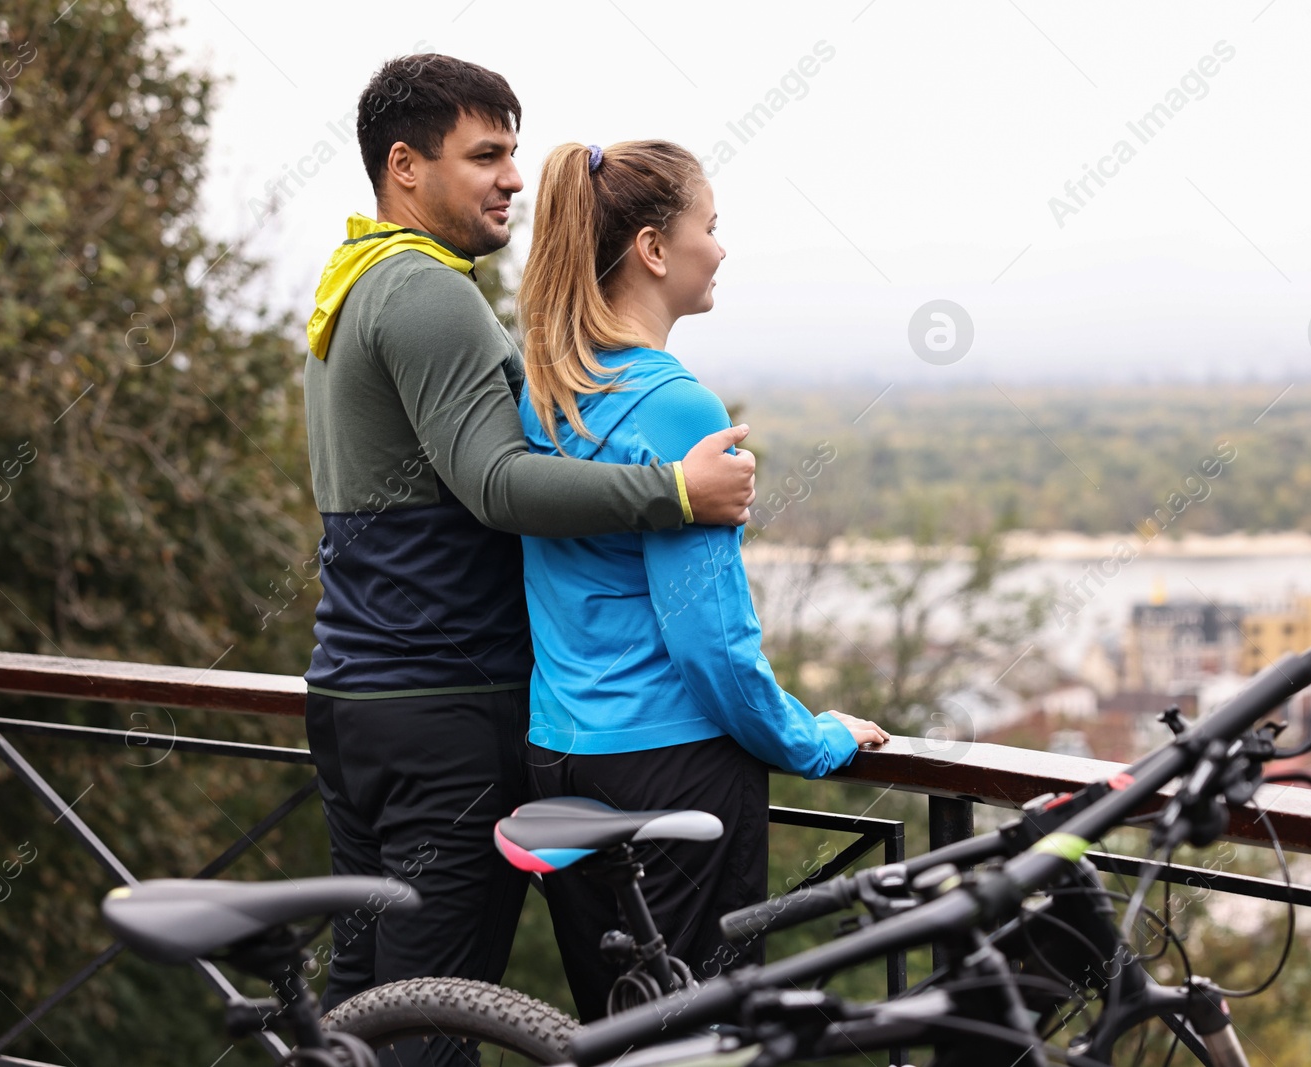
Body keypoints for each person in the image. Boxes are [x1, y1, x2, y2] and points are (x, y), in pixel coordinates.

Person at [300, 56, 755, 1061]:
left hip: (359, 699)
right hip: (444, 704)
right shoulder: (425, 292)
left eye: (513, 152)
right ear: (405, 167)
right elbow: (499, 483)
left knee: (361, 1005)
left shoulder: (350, 286)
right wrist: (677, 491)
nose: (512, 178)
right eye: (486, 156)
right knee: (431, 1010)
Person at [515, 139, 889, 1021]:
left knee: (612, 1030)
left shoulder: (547, 392)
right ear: (653, 248)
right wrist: (814, 737)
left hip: (559, 761)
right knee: (699, 1037)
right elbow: (710, 644)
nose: (721, 248)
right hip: (670, 772)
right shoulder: (678, 406)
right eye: (710, 227)